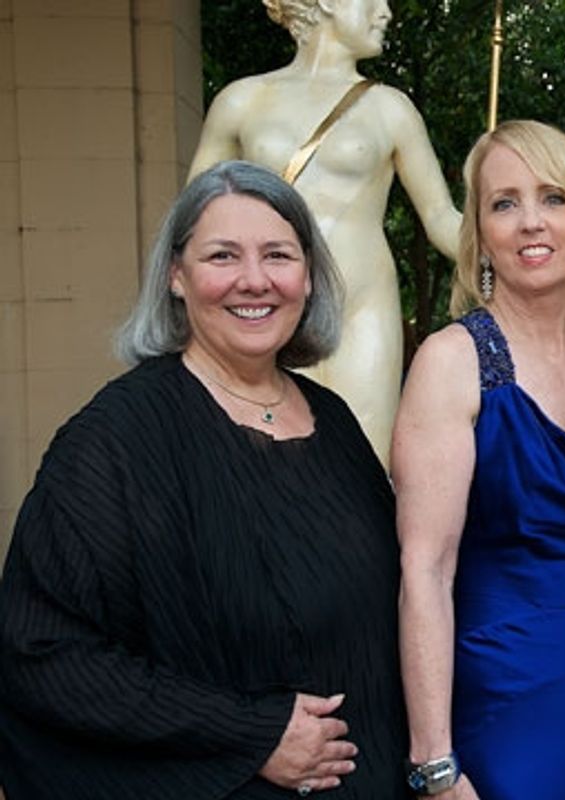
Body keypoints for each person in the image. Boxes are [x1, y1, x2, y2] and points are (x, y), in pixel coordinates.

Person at [0, 161, 406, 798]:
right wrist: (251, 733)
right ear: (176, 276)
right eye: (222, 255)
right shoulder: (116, 439)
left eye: (278, 254)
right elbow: (44, 654)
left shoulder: (334, 422)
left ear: (307, 277)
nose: (255, 280)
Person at [394, 120, 565, 800]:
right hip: (503, 713)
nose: (530, 222)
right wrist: (435, 765)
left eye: (552, 197)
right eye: (503, 203)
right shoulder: (451, 362)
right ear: (479, 235)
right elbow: (425, 570)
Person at [189, 0, 462, 465]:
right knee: (266, 463)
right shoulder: (242, 100)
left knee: (363, 464)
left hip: (362, 308)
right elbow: (194, 221)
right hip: (267, 302)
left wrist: (511, 244)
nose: (386, 14)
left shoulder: (390, 108)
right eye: (374, 0)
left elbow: (440, 219)